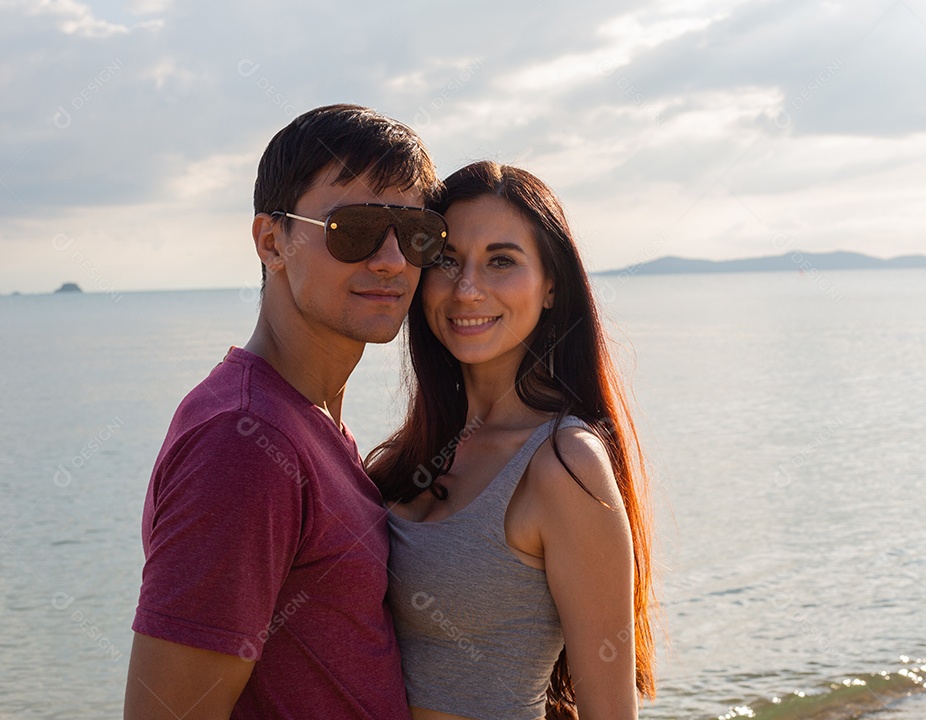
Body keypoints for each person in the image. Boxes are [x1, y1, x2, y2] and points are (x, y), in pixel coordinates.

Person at [125, 104, 446, 720]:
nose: (391, 260)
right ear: (272, 241)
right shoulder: (243, 442)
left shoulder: (306, 422)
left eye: (415, 233)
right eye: (352, 229)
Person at [366, 161, 656, 720]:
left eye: (501, 261)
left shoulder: (563, 465)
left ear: (551, 287)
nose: (467, 289)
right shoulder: (406, 457)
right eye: (447, 261)